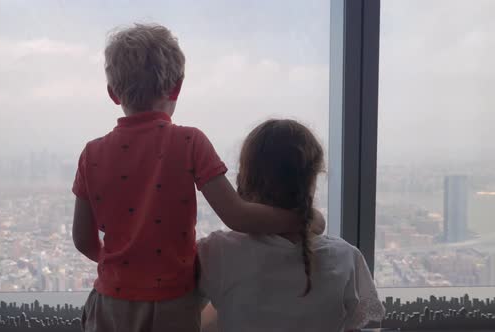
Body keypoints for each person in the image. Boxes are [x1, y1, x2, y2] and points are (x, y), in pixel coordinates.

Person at [72, 24, 325, 332]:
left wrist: (123, 270)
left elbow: (83, 240)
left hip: (110, 302)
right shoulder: (189, 142)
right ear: (177, 87)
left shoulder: (92, 153)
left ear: (112, 93)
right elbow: (238, 215)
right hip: (173, 303)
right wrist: (302, 219)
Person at [197, 119, 385, 332]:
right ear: (312, 180)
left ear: (244, 180)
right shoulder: (346, 258)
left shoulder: (218, 253)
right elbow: (365, 324)